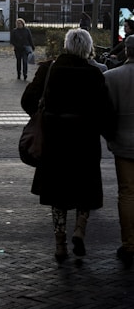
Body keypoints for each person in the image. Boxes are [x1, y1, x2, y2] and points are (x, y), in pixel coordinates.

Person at [21, 28, 115, 262]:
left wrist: (44, 115)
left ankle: (60, 244)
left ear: (66, 45)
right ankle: (80, 230)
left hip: (56, 142)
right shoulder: (94, 74)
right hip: (85, 142)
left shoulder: (49, 69)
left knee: (58, 195)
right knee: (86, 189)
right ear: (88, 47)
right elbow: (105, 112)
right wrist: (110, 135)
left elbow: (27, 101)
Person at [104, 34, 134, 266]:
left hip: (123, 144)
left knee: (126, 193)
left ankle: (129, 244)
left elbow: (105, 114)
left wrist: (110, 137)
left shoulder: (111, 78)